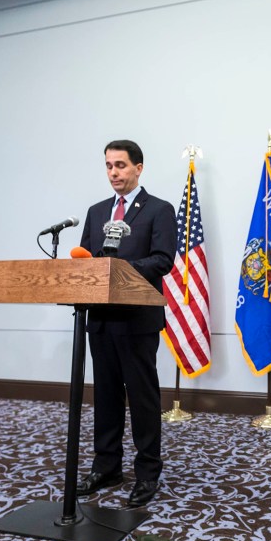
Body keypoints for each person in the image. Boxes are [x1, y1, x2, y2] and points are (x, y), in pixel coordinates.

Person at [76, 139, 176, 507]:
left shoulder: (159, 210)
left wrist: (120, 272)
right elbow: (86, 258)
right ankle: (107, 466)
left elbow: (163, 260)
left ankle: (147, 472)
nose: (114, 173)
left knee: (142, 397)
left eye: (120, 165)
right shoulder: (97, 210)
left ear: (139, 168)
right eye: (108, 166)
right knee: (105, 396)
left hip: (137, 317)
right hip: (100, 318)